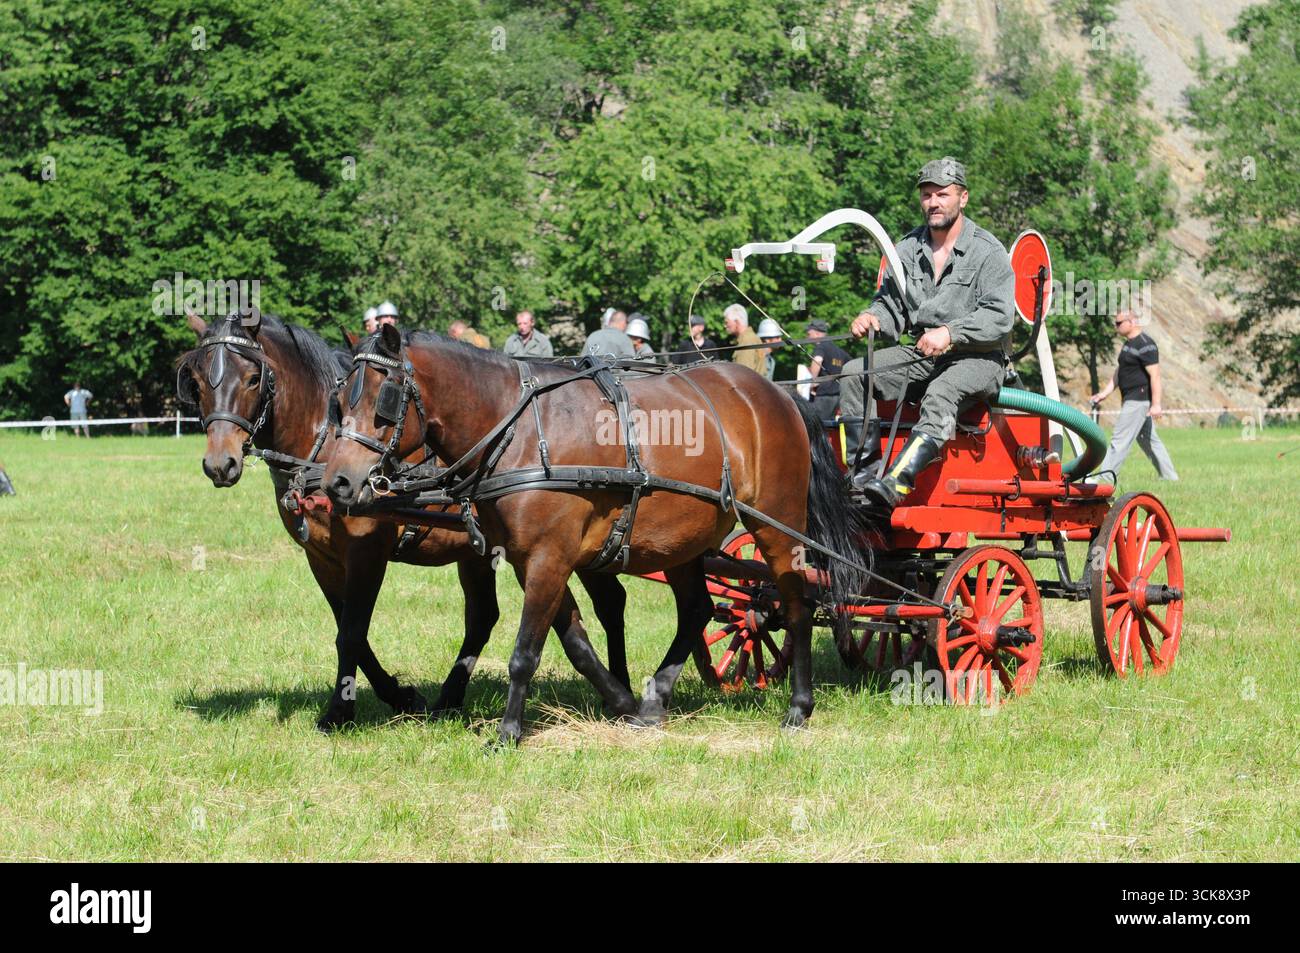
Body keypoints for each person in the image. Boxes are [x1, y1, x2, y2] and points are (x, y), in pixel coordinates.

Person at [840, 156, 1015, 508]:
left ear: (962, 198)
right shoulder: (906, 249)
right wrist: (872, 317)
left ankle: (898, 482)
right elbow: (891, 305)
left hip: (980, 358)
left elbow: (999, 316)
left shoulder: (988, 251)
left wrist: (950, 332)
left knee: (942, 389)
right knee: (855, 373)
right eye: (927, 195)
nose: (933, 202)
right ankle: (862, 479)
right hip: (923, 353)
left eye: (943, 194)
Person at [1090, 310, 1179, 481]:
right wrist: (1104, 394)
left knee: (1119, 439)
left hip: (1138, 400)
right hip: (1130, 399)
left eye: (1119, 323)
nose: (1116, 327)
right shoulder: (1128, 344)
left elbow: (1155, 375)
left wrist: (1156, 404)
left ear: (1131, 322)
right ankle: (1169, 477)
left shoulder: (1146, 344)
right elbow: (1120, 371)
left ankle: (1104, 479)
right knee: (1149, 440)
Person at [806, 319, 849, 421]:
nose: (807, 336)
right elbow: (851, 365)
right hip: (837, 396)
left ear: (816, 333)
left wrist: (813, 382)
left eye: (809, 333)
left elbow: (817, 360)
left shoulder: (820, 346)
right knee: (829, 427)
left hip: (823, 395)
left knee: (817, 425)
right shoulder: (838, 350)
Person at [724, 303, 766, 376]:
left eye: (727, 322)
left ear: (736, 322)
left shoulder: (747, 341)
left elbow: (743, 376)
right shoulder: (751, 338)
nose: (725, 326)